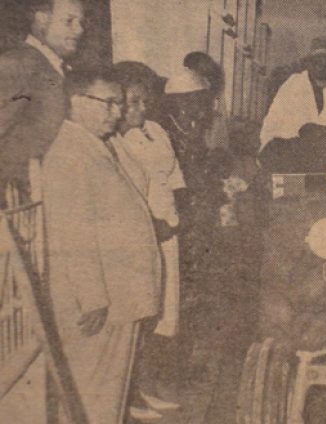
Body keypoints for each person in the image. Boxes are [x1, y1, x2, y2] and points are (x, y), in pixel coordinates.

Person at [42, 68, 162, 424]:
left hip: (118, 296)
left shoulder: (94, 146)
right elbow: (71, 231)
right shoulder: (68, 154)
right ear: (75, 101)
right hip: (101, 303)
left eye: (119, 104)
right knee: (95, 398)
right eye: (108, 103)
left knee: (108, 398)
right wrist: (92, 296)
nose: (116, 112)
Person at [110, 61, 185, 420]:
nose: (140, 109)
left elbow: (173, 178)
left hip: (169, 230)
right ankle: (129, 396)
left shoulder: (156, 130)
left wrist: (177, 218)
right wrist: (155, 224)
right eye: (132, 103)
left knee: (165, 316)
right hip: (144, 237)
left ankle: (144, 388)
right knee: (140, 317)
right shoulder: (112, 142)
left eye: (144, 101)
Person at [0, 0, 84, 206]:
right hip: (21, 199)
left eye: (81, 22)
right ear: (41, 19)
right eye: (69, 21)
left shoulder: (55, 67)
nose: (79, 30)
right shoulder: (19, 63)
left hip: (53, 191)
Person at [258, 38, 326, 153]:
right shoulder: (294, 83)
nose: (322, 67)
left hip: (313, 151)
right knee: (309, 131)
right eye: (318, 62)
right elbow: (295, 130)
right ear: (310, 64)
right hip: (282, 146)